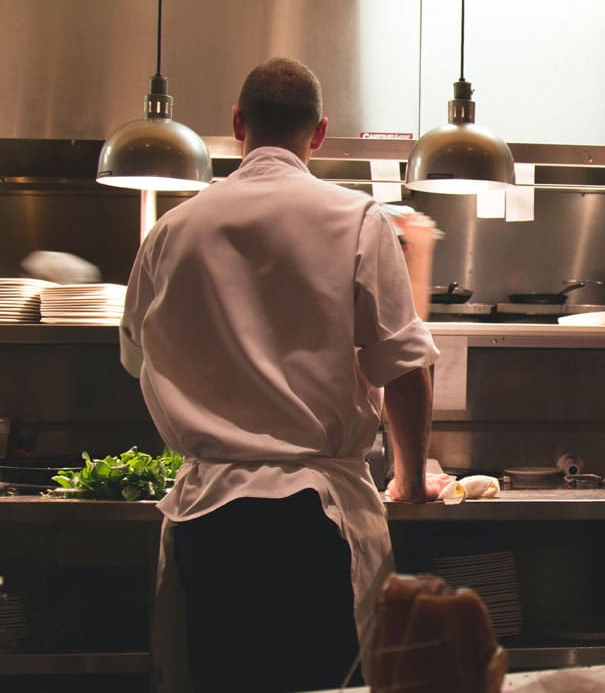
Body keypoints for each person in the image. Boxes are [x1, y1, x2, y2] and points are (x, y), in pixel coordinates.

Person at [119, 57, 439, 692]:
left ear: (238, 123)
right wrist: (409, 481)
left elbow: (136, 357)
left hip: (206, 523)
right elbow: (403, 367)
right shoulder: (357, 219)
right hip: (312, 522)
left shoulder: (170, 229)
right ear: (318, 133)